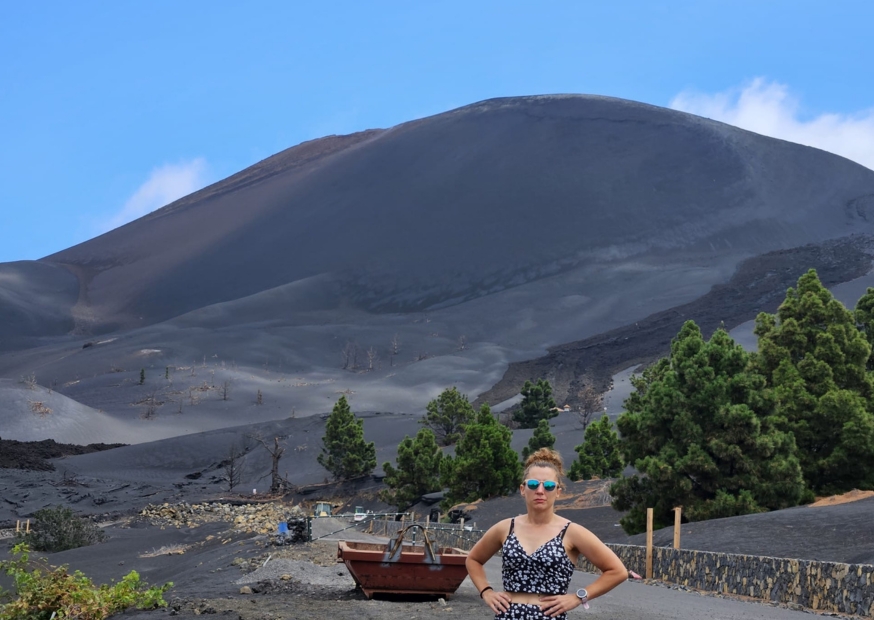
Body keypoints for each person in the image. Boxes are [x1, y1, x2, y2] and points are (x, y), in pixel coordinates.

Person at [466, 448, 627, 619]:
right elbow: (473, 559)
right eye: (533, 484)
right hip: (508, 615)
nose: (540, 491)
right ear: (523, 489)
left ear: (558, 491)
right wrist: (486, 592)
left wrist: (578, 597)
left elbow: (617, 571)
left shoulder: (571, 532)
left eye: (549, 486)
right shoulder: (506, 528)